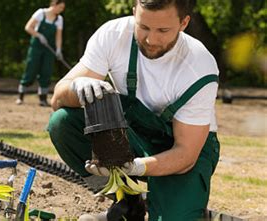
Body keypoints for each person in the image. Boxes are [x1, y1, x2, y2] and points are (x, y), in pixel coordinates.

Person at [47, 0, 220, 220]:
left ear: (184, 22)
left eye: (163, 30)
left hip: (185, 148)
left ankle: (178, 203)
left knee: (174, 217)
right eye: (144, 27)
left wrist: (136, 167)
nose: (150, 39)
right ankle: (127, 201)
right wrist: (76, 87)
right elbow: (57, 99)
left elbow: (186, 155)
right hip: (133, 132)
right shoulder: (113, 35)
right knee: (62, 123)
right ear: (134, 12)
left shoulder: (198, 66)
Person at [16, 0, 66, 107]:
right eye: (60, 7)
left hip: (49, 49)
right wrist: (39, 35)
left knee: (46, 72)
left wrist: (58, 50)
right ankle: (20, 96)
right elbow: (28, 27)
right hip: (36, 47)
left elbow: (58, 36)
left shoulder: (59, 19)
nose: (61, 10)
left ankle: (43, 99)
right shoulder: (40, 13)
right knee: (31, 69)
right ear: (54, 5)